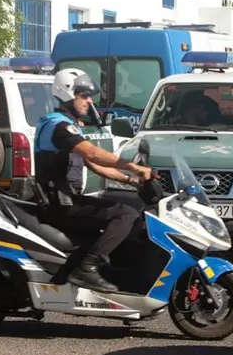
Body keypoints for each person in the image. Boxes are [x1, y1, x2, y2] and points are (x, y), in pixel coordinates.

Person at [34, 68, 152, 293]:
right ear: (67, 93)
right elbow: (93, 154)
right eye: (83, 95)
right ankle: (86, 267)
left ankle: (113, 272)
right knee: (125, 213)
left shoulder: (65, 125)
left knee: (129, 210)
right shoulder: (58, 126)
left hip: (68, 201)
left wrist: (132, 181)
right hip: (60, 205)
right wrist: (132, 166)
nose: (89, 101)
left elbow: (95, 166)